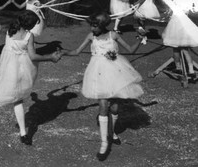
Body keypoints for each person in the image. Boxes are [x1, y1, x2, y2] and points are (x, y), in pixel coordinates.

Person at [61, 11, 144, 161]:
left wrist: (140, 38)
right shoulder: (91, 36)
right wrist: (63, 53)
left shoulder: (114, 35)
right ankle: (104, 143)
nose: (92, 29)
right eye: (91, 26)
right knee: (103, 105)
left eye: (95, 26)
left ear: (103, 25)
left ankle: (112, 133)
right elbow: (76, 51)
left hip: (115, 72)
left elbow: (131, 50)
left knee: (115, 108)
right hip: (97, 73)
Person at [0, 11, 62, 145]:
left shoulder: (10, 29)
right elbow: (33, 56)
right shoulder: (29, 35)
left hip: (8, 66)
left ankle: (23, 132)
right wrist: (50, 57)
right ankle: (23, 133)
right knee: (18, 98)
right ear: (30, 26)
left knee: (17, 100)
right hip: (23, 67)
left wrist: (36, 98)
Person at [161, 12, 197, 79]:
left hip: (175, 28)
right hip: (183, 29)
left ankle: (178, 68)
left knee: (175, 50)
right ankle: (191, 70)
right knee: (185, 51)